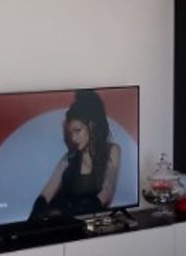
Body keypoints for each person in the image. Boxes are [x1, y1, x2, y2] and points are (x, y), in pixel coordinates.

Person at [31, 89, 121, 218]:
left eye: (77, 131)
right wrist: (29, 224)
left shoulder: (112, 150)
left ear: (91, 126)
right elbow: (45, 194)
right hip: (60, 219)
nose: (73, 138)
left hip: (86, 220)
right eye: (70, 133)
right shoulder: (68, 158)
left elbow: (107, 190)